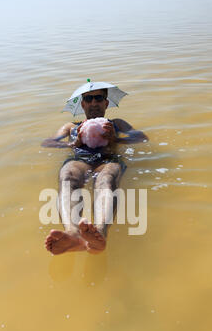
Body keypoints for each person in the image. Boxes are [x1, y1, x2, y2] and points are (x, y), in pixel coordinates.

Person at [41, 88, 148, 255]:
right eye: (89, 99)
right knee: (67, 176)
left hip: (108, 158)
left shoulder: (117, 123)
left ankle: (99, 234)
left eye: (99, 98)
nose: (94, 103)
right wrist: (74, 143)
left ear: (106, 103)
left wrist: (115, 139)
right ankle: (73, 233)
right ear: (82, 104)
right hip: (80, 159)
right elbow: (48, 143)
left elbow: (141, 137)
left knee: (106, 178)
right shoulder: (71, 126)